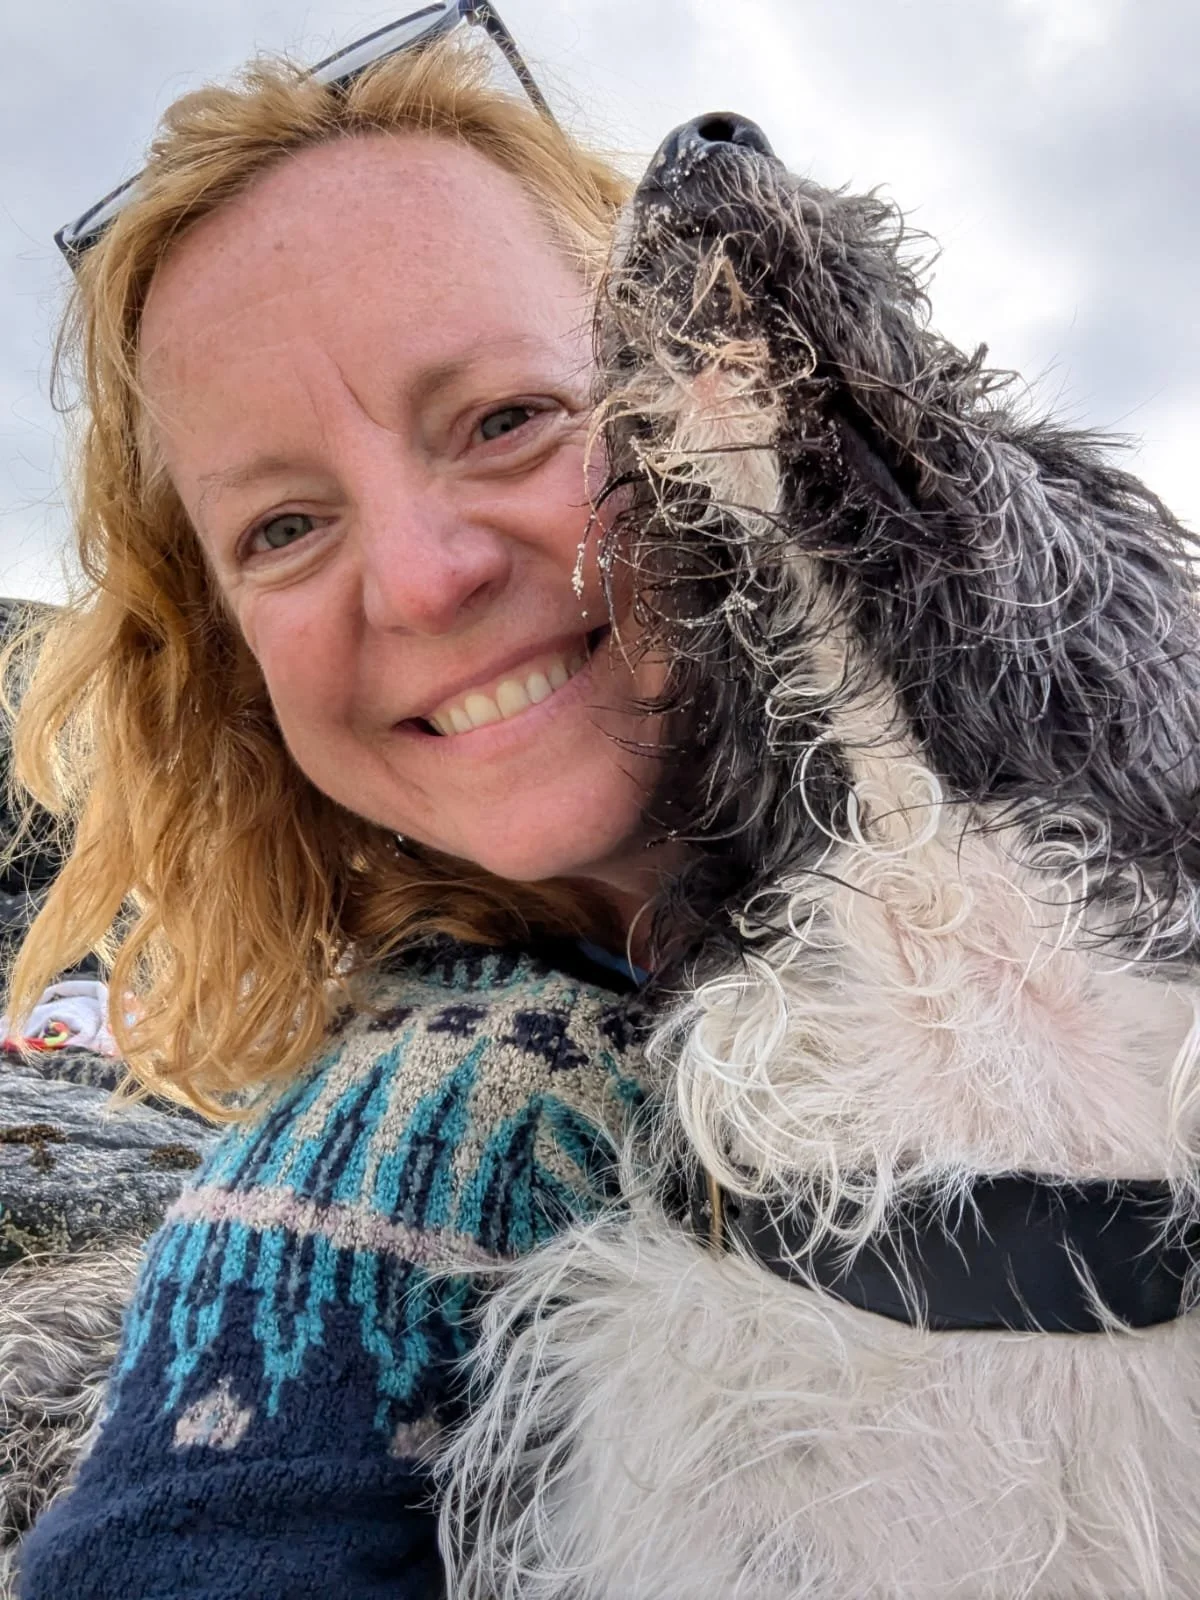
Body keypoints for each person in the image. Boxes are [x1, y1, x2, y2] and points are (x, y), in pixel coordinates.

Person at [4, 15, 689, 1597]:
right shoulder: (414, 1145)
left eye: (509, 419)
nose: (426, 576)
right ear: (235, 663)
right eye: (288, 525)